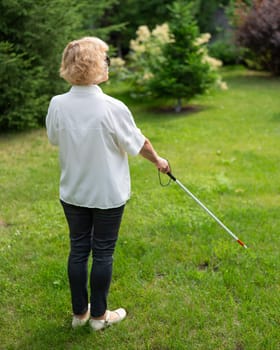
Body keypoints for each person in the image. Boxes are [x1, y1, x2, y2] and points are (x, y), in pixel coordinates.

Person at [46, 36, 170, 331]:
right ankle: (99, 317)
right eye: (104, 59)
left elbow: (53, 138)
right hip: (107, 195)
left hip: (73, 191)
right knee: (102, 252)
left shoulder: (57, 104)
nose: (107, 63)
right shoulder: (112, 107)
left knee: (78, 250)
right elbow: (139, 143)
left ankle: (80, 316)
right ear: (93, 66)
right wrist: (159, 161)